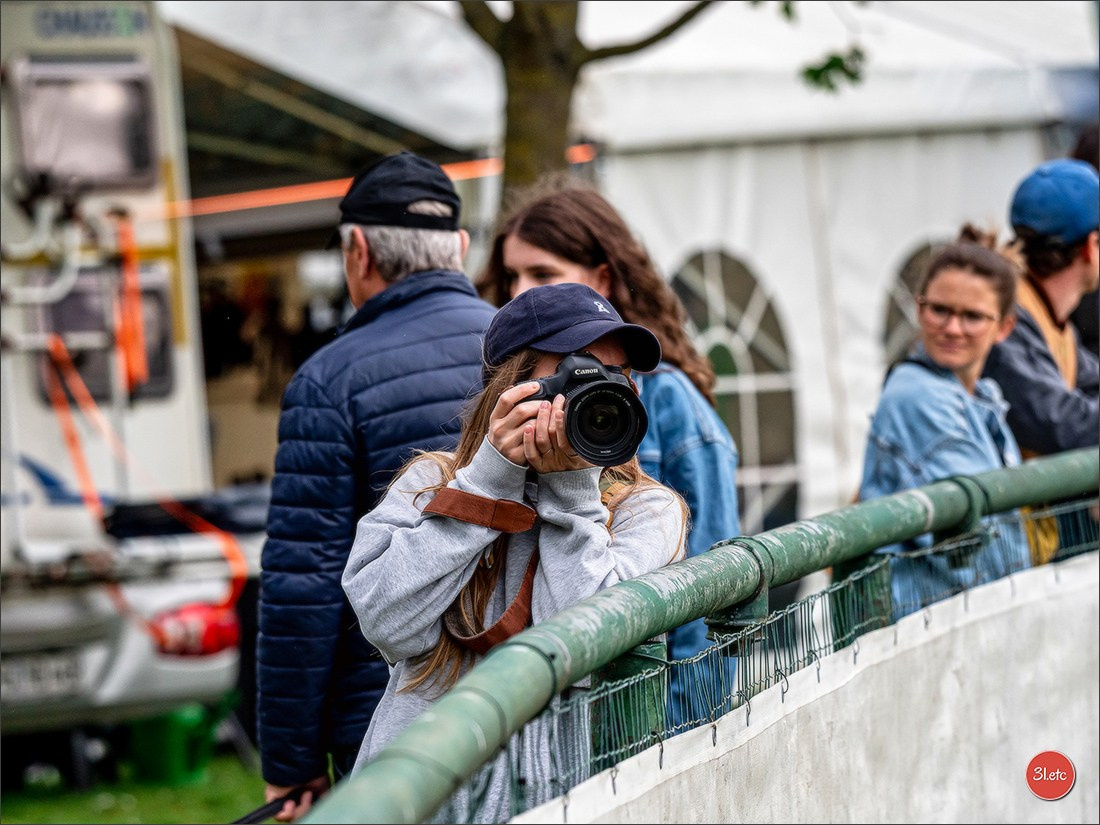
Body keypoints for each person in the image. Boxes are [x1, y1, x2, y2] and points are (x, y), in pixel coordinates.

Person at [342, 282, 688, 818]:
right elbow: (386, 623)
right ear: (513, 386)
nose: (601, 390)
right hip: (421, 797)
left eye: (617, 375)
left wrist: (572, 493)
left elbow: (586, 655)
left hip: (555, 803)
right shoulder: (433, 484)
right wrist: (487, 484)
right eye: (578, 370)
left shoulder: (646, 511)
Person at [257, 151, 497, 822]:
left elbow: (304, 583)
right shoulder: (527, 352)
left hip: (387, 721)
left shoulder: (327, 381)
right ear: (460, 247)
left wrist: (291, 764)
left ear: (357, 251)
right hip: (527, 689)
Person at [475, 180, 740, 728]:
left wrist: (683, 732)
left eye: (542, 274)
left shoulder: (669, 399)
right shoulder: (517, 397)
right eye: (510, 277)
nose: (520, 292)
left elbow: (711, 583)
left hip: (648, 704)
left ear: (601, 277)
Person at [860, 226, 1031, 618]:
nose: (953, 328)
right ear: (919, 309)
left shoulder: (982, 395)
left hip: (963, 617)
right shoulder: (918, 395)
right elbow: (988, 542)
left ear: (1004, 327)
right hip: (931, 624)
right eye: (940, 310)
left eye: (972, 316)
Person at [981, 158, 1099, 458]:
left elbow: (1092, 384)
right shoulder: (1006, 312)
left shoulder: (1047, 312)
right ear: (1090, 245)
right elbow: (1065, 425)